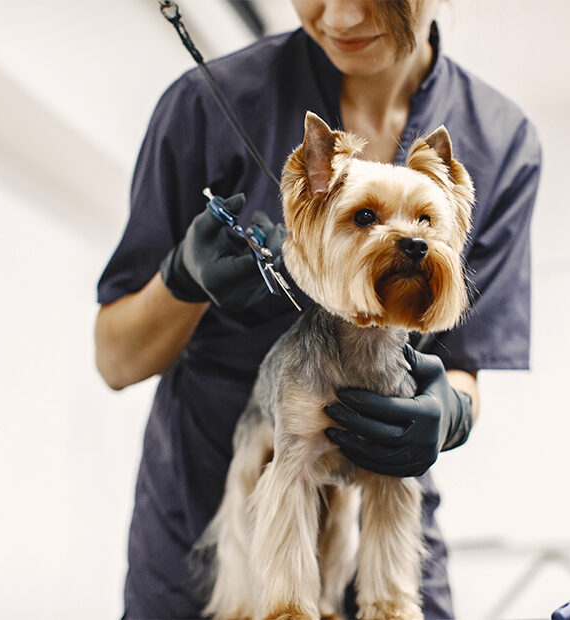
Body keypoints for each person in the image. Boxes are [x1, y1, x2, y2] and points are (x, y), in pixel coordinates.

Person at [95, 0, 541, 617]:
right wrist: (183, 277)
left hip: (384, 493)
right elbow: (114, 359)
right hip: (203, 506)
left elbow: (465, 361)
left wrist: (451, 412)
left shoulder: (502, 139)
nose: (340, 15)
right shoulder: (207, 104)